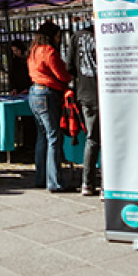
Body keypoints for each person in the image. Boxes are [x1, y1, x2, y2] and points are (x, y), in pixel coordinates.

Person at [27, 20, 72, 193]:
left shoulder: (34, 51)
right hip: (48, 92)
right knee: (54, 137)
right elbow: (61, 74)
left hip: (34, 92)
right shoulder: (49, 51)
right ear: (52, 36)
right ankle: (54, 181)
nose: (59, 39)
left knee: (42, 136)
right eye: (58, 36)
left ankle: (41, 177)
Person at [66, 18, 100, 196]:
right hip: (106, 92)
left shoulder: (76, 37)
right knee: (111, 139)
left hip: (85, 94)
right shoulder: (107, 32)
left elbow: (69, 67)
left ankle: (87, 182)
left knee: (92, 139)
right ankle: (110, 184)